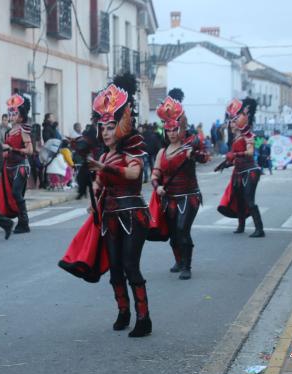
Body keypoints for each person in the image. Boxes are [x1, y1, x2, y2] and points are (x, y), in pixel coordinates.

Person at [59, 73, 152, 338]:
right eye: (102, 127)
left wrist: (103, 168)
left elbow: (134, 175)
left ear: (122, 125)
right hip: (109, 216)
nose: (105, 132)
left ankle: (144, 318)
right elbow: (100, 183)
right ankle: (123, 312)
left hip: (133, 214)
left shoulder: (133, 146)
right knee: (115, 270)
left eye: (110, 127)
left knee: (130, 266)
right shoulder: (104, 153)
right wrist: (96, 187)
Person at [148, 95, 209, 280]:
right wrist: (157, 187)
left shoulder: (188, 148)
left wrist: (195, 154)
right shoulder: (161, 152)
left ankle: (187, 266)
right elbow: (155, 175)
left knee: (183, 229)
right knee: (173, 233)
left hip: (189, 196)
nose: (172, 133)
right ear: (165, 132)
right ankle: (178, 259)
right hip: (169, 198)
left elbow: (205, 157)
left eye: (175, 129)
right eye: (169, 130)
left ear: (180, 129)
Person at [217, 98, 265, 238]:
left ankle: (259, 229)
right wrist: (225, 164)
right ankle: (241, 226)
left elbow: (250, 153)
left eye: (233, 120)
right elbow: (235, 158)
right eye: (230, 121)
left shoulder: (247, 135)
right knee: (239, 200)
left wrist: (235, 154)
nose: (231, 124)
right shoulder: (235, 138)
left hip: (250, 171)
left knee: (249, 200)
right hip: (239, 172)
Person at [0, 93, 34, 234]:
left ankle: (24, 223)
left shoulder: (24, 130)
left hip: (21, 167)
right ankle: (20, 222)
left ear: (21, 116)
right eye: (10, 112)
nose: (11, 115)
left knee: (17, 193)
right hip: (9, 167)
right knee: (13, 195)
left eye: (14, 112)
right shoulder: (9, 132)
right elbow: (5, 152)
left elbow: (30, 150)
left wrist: (12, 149)